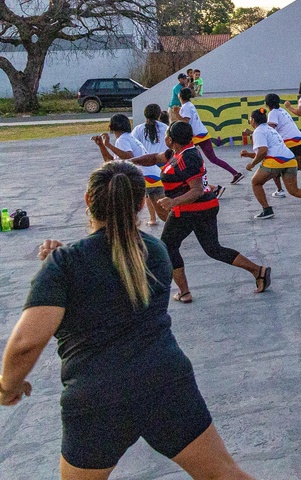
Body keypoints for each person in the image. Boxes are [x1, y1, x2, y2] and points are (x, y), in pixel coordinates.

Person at [0, 161, 257, 479]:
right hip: (165, 380)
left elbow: (26, 343)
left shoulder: (65, 265)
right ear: (140, 203)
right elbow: (114, 274)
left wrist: (7, 388)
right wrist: (62, 261)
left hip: (98, 397)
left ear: (87, 200)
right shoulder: (157, 250)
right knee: (222, 473)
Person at [134, 122, 270, 303]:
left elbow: (196, 190)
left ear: (171, 139)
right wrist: (128, 162)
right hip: (203, 208)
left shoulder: (188, 158)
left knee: (168, 246)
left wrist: (173, 202)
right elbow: (154, 158)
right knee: (213, 249)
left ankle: (184, 292)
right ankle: (257, 271)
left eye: (167, 135)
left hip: (191, 209)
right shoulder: (178, 153)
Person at [241, 108, 301, 220]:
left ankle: (267, 209)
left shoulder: (258, 131)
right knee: (294, 190)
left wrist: (252, 164)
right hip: (290, 160)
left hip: (275, 162)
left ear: (253, 120)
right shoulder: (270, 129)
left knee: (255, 182)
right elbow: (267, 151)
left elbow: (263, 151)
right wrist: (248, 155)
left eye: (250, 119)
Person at [176, 88, 243, 184]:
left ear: (180, 97)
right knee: (213, 159)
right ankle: (235, 173)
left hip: (195, 136)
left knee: (186, 158)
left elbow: (185, 121)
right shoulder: (190, 105)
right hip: (203, 133)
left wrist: (176, 114)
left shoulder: (185, 107)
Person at [132, 105, 171, 226]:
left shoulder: (138, 129)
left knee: (148, 196)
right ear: (159, 114)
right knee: (165, 204)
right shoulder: (165, 128)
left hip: (145, 169)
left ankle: (152, 218)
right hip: (163, 169)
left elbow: (133, 146)